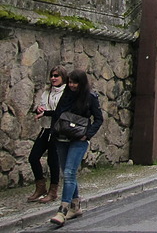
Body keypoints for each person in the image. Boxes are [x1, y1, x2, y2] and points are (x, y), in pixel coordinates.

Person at [49, 70, 103, 226]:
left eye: (75, 82)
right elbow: (58, 115)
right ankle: (76, 206)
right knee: (68, 173)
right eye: (70, 82)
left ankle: (62, 210)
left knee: (69, 172)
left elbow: (99, 119)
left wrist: (87, 134)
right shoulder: (65, 95)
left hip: (78, 140)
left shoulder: (90, 97)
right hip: (61, 138)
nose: (72, 85)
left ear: (82, 83)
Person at [27, 65, 67, 203]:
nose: (53, 78)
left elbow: (60, 112)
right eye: (52, 76)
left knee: (52, 160)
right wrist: (39, 109)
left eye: (56, 76)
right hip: (46, 128)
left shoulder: (65, 93)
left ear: (63, 77)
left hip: (57, 130)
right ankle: (40, 187)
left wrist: (47, 112)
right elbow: (43, 107)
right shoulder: (46, 92)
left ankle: (53, 191)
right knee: (33, 157)